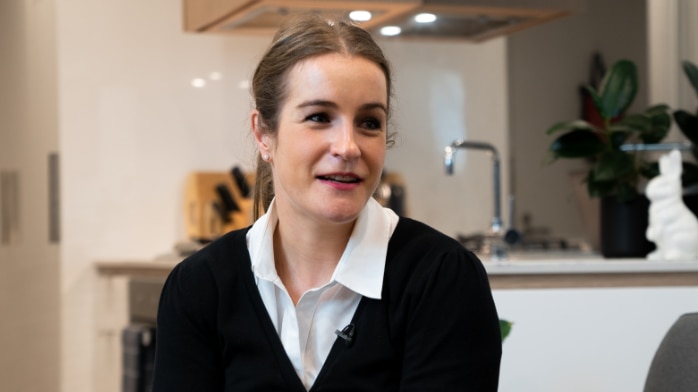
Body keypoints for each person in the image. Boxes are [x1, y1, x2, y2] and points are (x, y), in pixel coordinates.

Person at [152, 13, 501, 391]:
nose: (348, 147)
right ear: (263, 133)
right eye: (319, 117)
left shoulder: (442, 280)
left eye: (369, 122)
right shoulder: (200, 287)